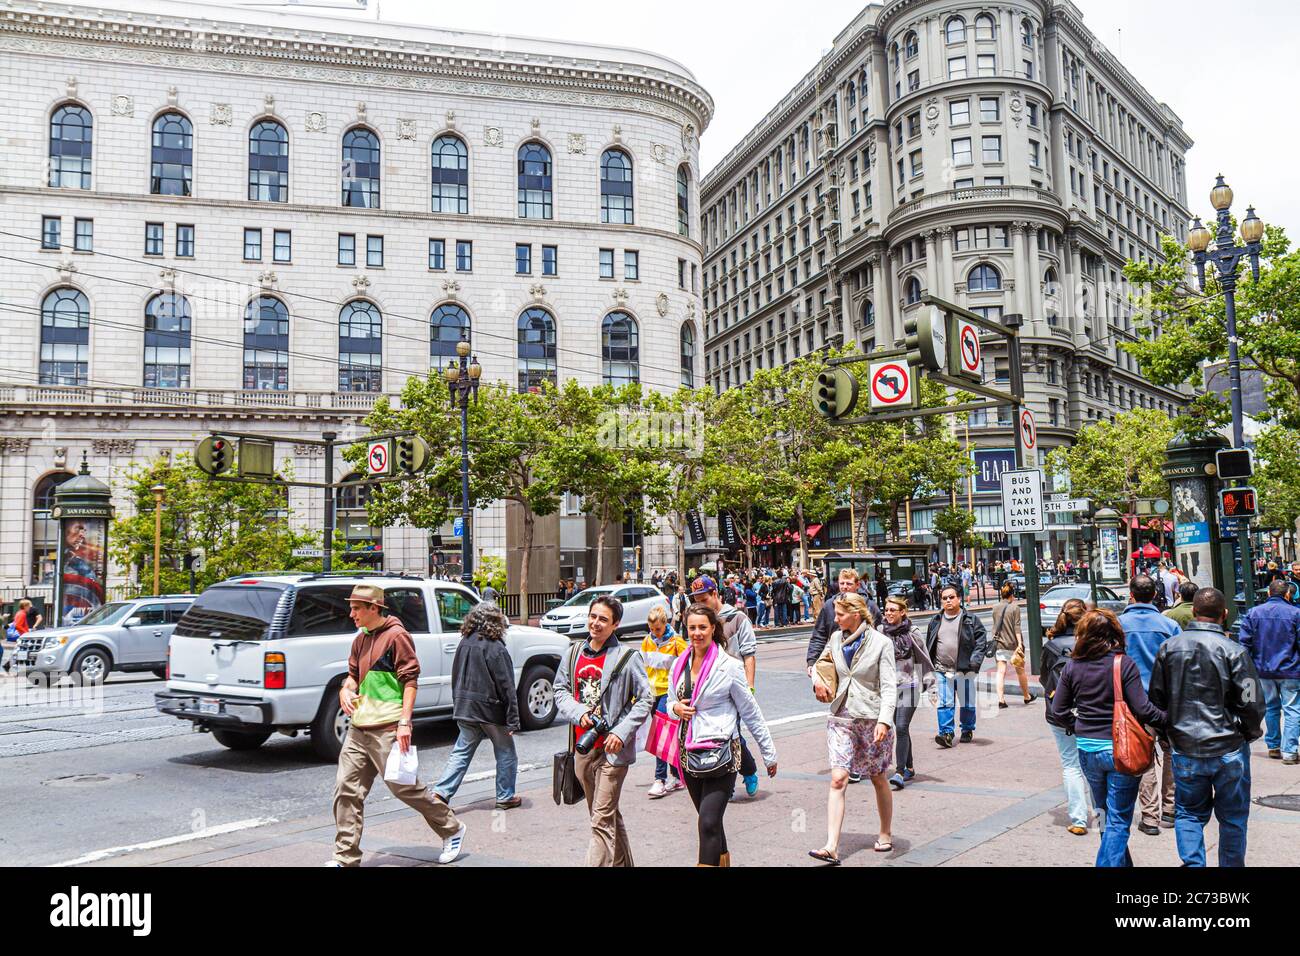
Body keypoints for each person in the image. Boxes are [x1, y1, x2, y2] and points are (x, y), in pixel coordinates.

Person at [330, 585, 465, 867]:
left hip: (388, 726)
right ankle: (345, 857)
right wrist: (345, 689)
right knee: (346, 789)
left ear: (374, 608)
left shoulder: (397, 636)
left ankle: (451, 828)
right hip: (358, 728)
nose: (351, 613)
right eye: (352, 607)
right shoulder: (360, 639)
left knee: (404, 788)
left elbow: (410, 681)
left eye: (357, 608)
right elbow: (352, 676)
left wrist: (405, 722)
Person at [1149, 588, 1265, 867]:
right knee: (1233, 817)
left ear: (1194, 612)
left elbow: (1157, 699)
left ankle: (1193, 864)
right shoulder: (1234, 650)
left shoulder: (1170, 647)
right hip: (1227, 747)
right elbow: (1251, 702)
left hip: (1186, 746)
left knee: (1188, 812)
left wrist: (1169, 735)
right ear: (1224, 614)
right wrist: (1248, 732)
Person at [1050, 609, 1167, 867]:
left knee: (1104, 815)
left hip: (1087, 750)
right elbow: (1143, 708)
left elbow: (1058, 710)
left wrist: (1079, 726)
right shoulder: (1122, 663)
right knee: (1118, 821)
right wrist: (1169, 719)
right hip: (1119, 750)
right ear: (1114, 633)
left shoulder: (1073, 666)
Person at [669, 603, 778, 866]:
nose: (697, 633)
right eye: (692, 627)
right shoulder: (678, 663)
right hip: (688, 752)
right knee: (712, 823)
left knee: (707, 823)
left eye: (702, 627)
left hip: (722, 752)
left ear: (713, 629)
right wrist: (675, 707)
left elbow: (750, 712)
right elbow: (671, 702)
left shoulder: (729, 666)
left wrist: (768, 753)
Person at [553, 594, 653, 867]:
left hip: (612, 752)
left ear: (616, 624)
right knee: (605, 817)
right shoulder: (573, 653)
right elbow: (559, 690)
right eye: (593, 616)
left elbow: (646, 698)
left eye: (603, 619)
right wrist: (580, 713)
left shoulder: (627, 657)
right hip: (582, 748)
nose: (596, 623)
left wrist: (621, 732)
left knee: (600, 820)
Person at [808, 593, 897, 863]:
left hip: (871, 717)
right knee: (838, 778)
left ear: (856, 614)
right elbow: (820, 666)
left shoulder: (881, 643)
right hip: (841, 716)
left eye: (840, 614)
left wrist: (884, 719)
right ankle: (831, 845)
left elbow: (889, 685)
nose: (835, 619)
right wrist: (817, 681)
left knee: (878, 777)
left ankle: (885, 832)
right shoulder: (835, 639)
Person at [433, 601, 521, 809]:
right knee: (506, 751)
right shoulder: (496, 647)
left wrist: (458, 702)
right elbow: (507, 686)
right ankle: (505, 796)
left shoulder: (465, 642)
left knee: (461, 752)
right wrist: (513, 720)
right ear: (497, 621)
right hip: (490, 709)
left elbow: (456, 676)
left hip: (465, 706)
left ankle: (440, 793)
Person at [1118, 575, 1182, 836]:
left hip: (1135, 703)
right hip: (1166, 701)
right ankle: (1170, 808)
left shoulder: (1120, 625)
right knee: (1170, 753)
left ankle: (1150, 816)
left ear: (1131, 594)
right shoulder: (1170, 625)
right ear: (1155, 595)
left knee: (1143, 760)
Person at [690, 576, 762, 797]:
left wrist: (749, 687)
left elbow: (749, 654)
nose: (700, 605)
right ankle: (726, 777)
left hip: (734, 686)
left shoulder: (737, 618)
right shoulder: (698, 621)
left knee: (732, 735)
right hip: (707, 687)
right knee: (713, 735)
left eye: (704, 599)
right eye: (696, 601)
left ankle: (744, 773)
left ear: (715, 595)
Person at [1041, 598, 1092, 835]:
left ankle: (1079, 819)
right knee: (1094, 764)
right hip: (1091, 712)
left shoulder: (1051, 646)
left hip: (1059, 713)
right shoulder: (1093, 644)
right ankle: (1102, 814)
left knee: (1070, 765)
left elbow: (1043, 679)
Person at [1238, 577, 1300, 764]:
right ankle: (1289, 751)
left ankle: (1273, 746)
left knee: (1272, 708)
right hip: (1290, 670)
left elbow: (1244, 643)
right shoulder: (1296, 613)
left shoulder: (1253, 613)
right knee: (1292, 710)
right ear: (1288, 594)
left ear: (1268, 593)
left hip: (1263, 670)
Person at [879, 595, 933, 791]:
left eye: (893, 610)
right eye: (887, 609)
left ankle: (900, 772)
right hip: (888, 688)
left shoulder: (913, 633)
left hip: (910, 685)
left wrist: (928, 681)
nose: (889, 613)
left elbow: (923, 657)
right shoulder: (880, 632)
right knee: (899, 727)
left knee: (901, 726)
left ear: (903, 612)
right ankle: (909, 766)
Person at [926, 585, 989, 747]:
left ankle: (967, 728)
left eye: (951, 597)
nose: (948, 600)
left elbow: (981, 642)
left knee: (967, 702)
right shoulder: (935, 620)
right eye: (944, 598)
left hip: (964, 669)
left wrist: (974, 662)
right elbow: (929, 644)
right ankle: (946, 733)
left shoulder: (971, 619)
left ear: (959, 599)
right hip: (941, 669)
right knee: (945, 702)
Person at [641, 604, 688, 797]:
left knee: (660, 734)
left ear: (665, 623)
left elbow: (688, 664)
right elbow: (644, 669)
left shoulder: (677, 642)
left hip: (668, 694)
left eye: (658, 629)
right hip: (652, 693)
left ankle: (659, 779)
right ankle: (676, 777)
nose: (654, 633)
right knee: (667, 736)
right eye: (651, 629)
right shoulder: (647, 641)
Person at [808, 568, 881, 672]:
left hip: (864, 664)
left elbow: (880, 634)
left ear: (857, 585)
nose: (845, 587)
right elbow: (819, 635)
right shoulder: (829, 606)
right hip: (837, 663)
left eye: (849, 584)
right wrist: (812, 661)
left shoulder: (869, 606)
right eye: (842, 583)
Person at [991, 582, 1037, 708]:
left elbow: (995, 626)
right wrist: (1020, 643)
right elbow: (1017, 628)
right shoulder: (1015, 608)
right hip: (1013, 644)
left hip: (1000, 643)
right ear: (1012, 595)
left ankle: (1001, 700)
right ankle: (1026, 696)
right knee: (1020, 671)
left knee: (1000, 672)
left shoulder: (995, 607)